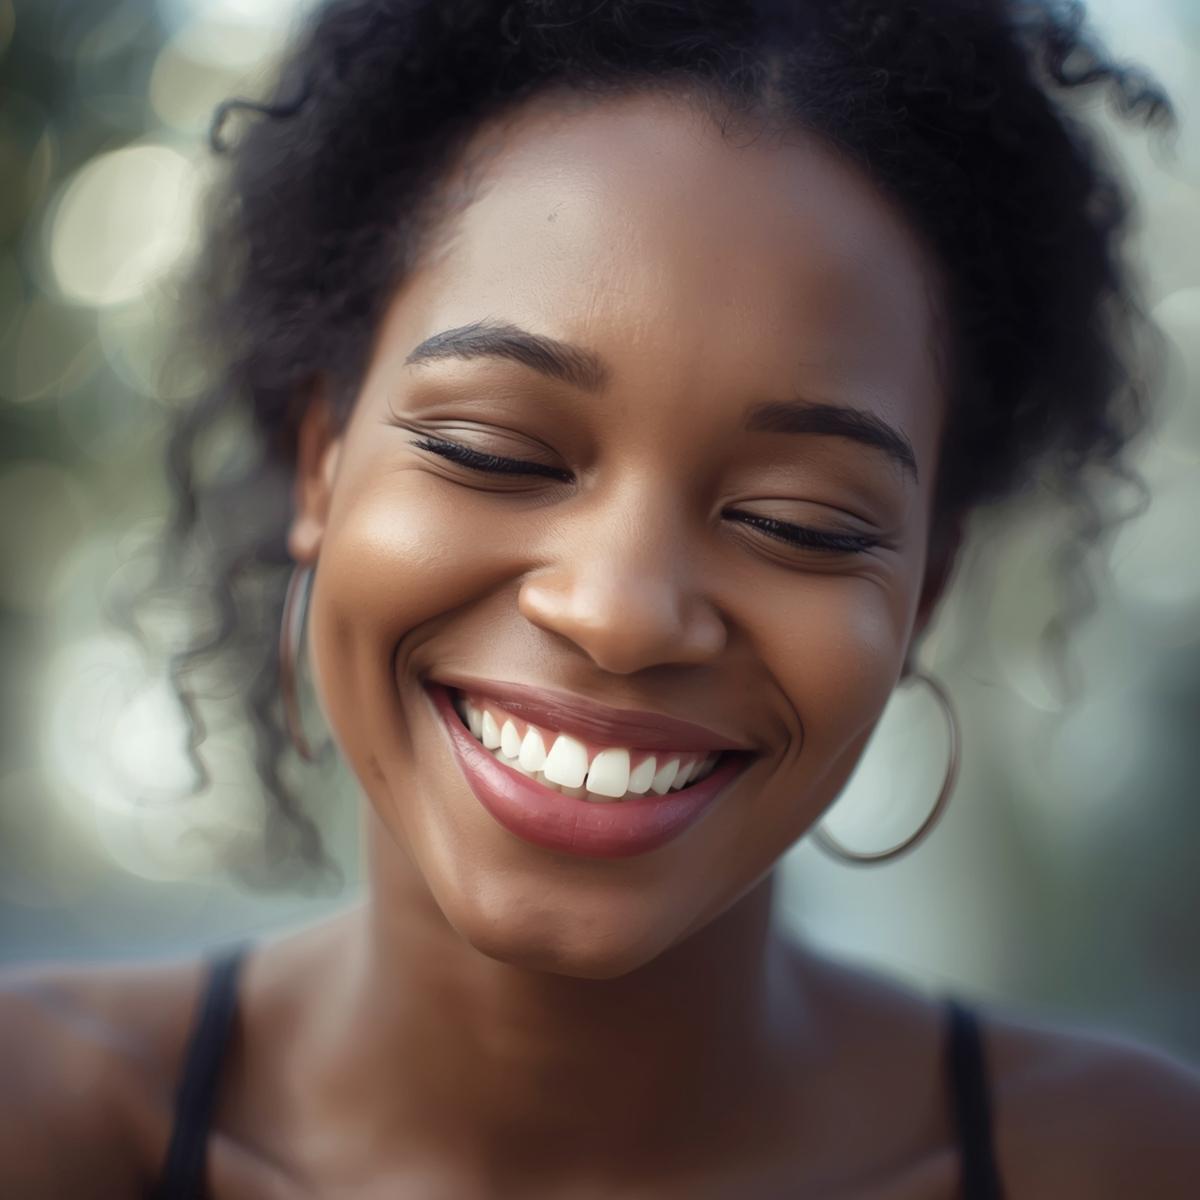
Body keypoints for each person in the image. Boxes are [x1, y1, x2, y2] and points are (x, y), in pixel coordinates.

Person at [3, 0, 1199, 1195]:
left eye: (804, 522)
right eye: (493, 450)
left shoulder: (1126, 1165)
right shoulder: (42, 1122)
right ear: (322, 459)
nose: (621, 613)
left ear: (922, 592)